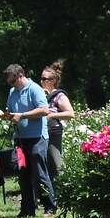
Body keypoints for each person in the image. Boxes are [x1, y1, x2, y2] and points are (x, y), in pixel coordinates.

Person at [0, 64, 55, 218]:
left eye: (13, 81)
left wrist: (23, 115)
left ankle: (50, 207)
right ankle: (27, 210)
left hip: (37, 138)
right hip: (21, 138)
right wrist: (9, 116)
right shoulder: (13, 92)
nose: (11, 85)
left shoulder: (34, 89)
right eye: (9, 83)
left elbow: (44, 110)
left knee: (39, 173)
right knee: (23, 175)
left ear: (21, 76)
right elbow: (13, 111)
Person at [38, 60, 74, 193]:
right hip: (39, 135)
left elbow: (70, 114)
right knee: (43, 167)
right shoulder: (40, 94)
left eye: (45, 79)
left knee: (56, 166)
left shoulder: (59, 96)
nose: (42, 81)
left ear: (53, 80)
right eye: (41, 78)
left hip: (53, 134)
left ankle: (63, 194)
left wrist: (52, 116)